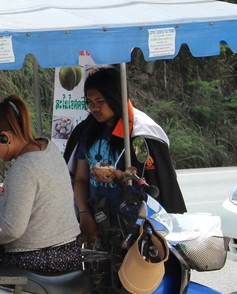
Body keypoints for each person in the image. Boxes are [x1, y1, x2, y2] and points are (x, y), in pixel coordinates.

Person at [71, 67, 186, 244]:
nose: (94, 108)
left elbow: (149, 181)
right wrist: (85, 214)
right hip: (97, 224)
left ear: (115, 97)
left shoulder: (141, 134)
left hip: (133, 227)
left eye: (100, 101)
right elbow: (80, 178)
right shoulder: (87, 131)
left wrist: (119, 176)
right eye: (90, 102)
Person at [0, 95, 82, 273]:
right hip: (70, 253)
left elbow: (12, 230)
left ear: (5, 137)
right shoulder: (48, 148)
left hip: (38, 260)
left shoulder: (23, 169)